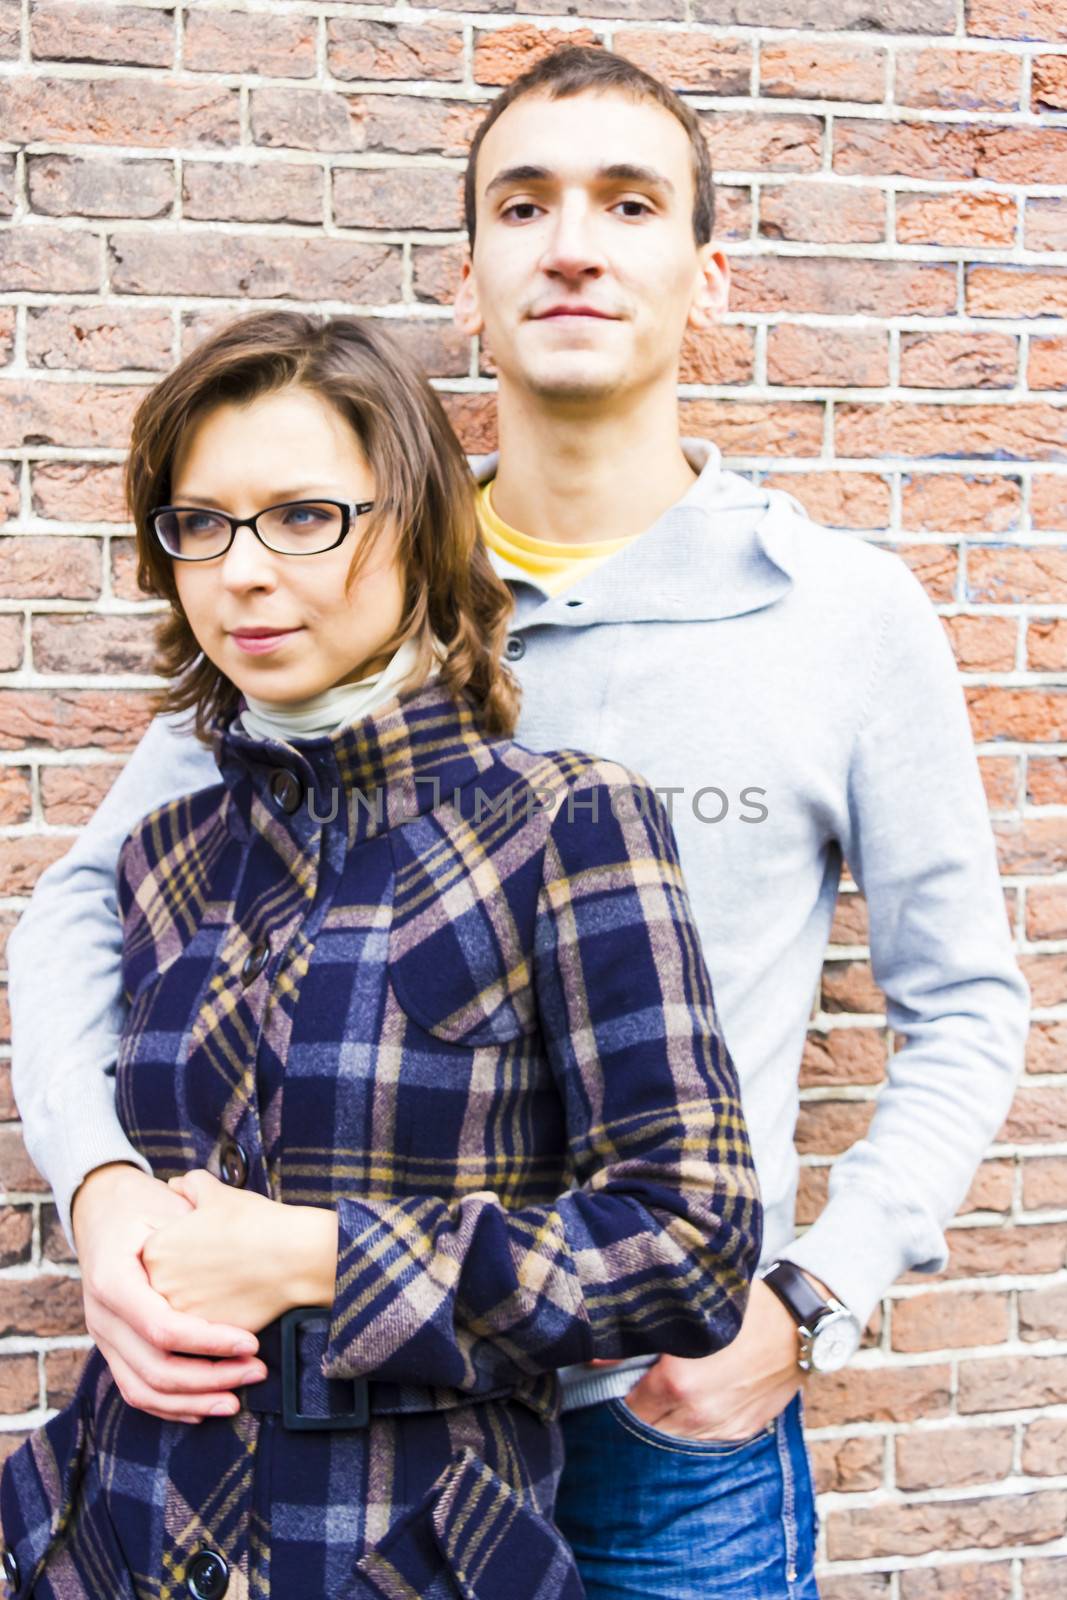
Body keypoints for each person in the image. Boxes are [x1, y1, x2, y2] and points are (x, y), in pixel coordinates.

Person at [7, 44, 1029, 1600]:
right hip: (349, 1440)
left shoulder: (842, 617)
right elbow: (88, 909)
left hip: (659, 1417)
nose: (573, 242)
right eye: (523, 202)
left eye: (629, 203)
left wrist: (811, 1300)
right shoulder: (340, 575)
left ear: (709, 273)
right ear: (466, 277)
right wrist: (106, 1199)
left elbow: (966, 1007)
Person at [0, 309, 761, 1598]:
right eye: (201, 523)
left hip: (405, 1553)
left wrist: (322, 1258)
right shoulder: (168, 851)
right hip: (120, 1534)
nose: (243, 569)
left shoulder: (565, 822)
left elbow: (691, 1241)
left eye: (305, 516)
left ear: (413, 522)